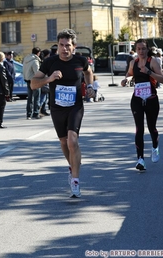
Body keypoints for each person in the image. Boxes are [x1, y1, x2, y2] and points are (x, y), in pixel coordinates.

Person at [31, 29, 95, 198]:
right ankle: (72, 167)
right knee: (64, 142)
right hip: (57, 108)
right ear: (57, 46)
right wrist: (49, 79)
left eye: (68, 46)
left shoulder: (81, 60)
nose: (64, 49)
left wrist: (90, 87)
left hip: (75, 106)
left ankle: (75, 180)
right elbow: (33, 84)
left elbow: (89, 72)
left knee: (73, 141)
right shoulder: (49, 63)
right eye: (61, 45)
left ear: (74, 47)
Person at [121, 38, 163, 171]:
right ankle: (140, 159)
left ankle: (155, 147)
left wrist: (149, 72)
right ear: (136, 50)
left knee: (152, 127)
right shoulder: (133, 62)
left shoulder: (153, 61)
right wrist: (126, 79)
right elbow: (129, 74)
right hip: (137, 99)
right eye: (139, 49)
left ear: (147, 49)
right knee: (139, 128)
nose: (141, 51)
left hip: (151, 98)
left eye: (143, 49)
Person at [23, 47, 42, 119]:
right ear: (38, 53)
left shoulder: (26, 59)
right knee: (36, 97)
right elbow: (37, 72)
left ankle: (28, 113)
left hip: (27, 80)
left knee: (30, 98)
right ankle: (36, 113)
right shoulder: (35, 61)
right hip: (34, 80)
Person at [39, 49, 51, 116]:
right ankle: (39, 110)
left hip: (45, 80)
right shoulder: (44, 62)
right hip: (44, 80)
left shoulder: (43, 61)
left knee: (45, 97)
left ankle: (43, 110)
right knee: (42, 97)